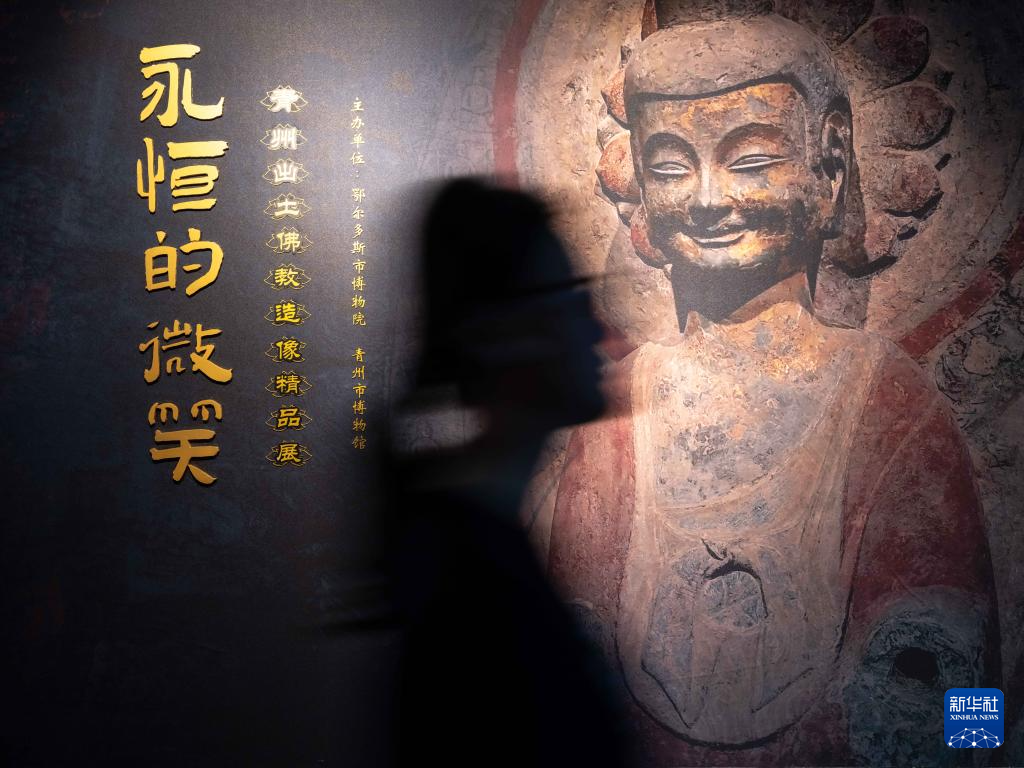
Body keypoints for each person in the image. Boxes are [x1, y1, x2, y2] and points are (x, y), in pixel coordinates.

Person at [547, 11, 999, 766]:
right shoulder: (618, 408)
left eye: (751, 161)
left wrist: (971, 747)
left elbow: (960, 644)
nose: (706, 200)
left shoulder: (888, 398)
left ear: (829, 170)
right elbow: (566, 630)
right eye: (670, 167)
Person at [388, 179, 630, 768]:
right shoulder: (472, 587)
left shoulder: (468, 544)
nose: (602, 332)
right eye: (569, 302)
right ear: (499, 335)